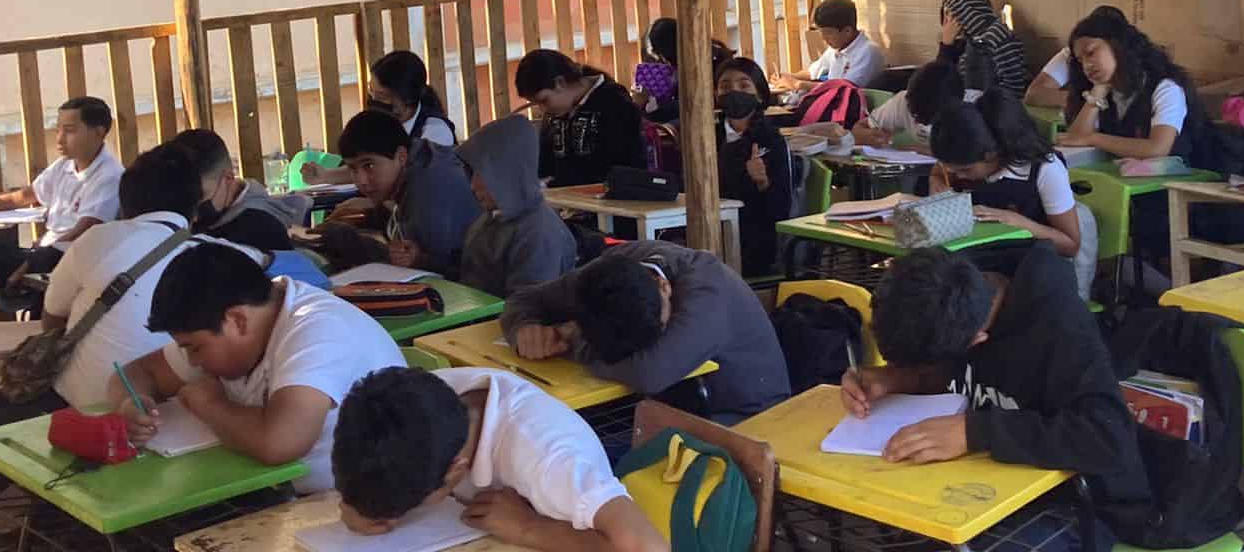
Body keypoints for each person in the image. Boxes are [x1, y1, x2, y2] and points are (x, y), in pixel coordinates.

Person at [0, 143, 208, 552]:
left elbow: (52, 320)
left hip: (70, 412)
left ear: (125, 206)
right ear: (196, 209)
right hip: (170, 428)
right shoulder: (215, 258)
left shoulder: (100, 239)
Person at [841, 246, 1149, 538]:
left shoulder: (1059, 327)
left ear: (977, 340)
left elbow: (1110, 438)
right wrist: (895, 380)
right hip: (977, 490)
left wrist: (974, 431)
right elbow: (949, 374)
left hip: (1074, 506)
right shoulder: (944, 291)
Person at [113, 242, 402, 493]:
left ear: (237, 320)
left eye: (196, 348)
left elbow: (277, 443)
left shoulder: (319, 329)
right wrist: (132, 403)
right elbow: (134, 373)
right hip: (274, 492)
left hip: (352, 506)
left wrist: (210, 405)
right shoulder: (232, 320)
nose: (192, 362)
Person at [331, 366, 666, 551]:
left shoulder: (547, 458)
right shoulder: (412, 403)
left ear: (455, 472)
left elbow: (649, 548)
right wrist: (360, 505)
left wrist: (530, 528)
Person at [501, 241, 789, 424]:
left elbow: (648, 372)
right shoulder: (602, 277)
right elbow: (524, 300)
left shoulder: (706, 298)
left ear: (665, 288)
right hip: (676, 404)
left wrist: (571, 340)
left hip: (745, 416)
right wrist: (524, 329)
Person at [0, 96, 123, 293]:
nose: (60, 139)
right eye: (58, 130)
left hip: (63, 261)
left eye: (69, 131)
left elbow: (83, 231)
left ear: (99, 132)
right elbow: (18, 198)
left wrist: (36, 259)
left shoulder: (109, 176)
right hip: (40, 253)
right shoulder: (64, 165)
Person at [316, 109, 480, 276]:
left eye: (369, 166)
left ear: (401, 156)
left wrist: (350, 240)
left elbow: (444, 273)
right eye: (352, 168)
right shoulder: (420, 154)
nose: (361, 181)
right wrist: (372, 213)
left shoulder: (427, 192)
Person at [928, 92, 1081, 261]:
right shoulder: (964, 156)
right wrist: (937, 180)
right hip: (978, 255)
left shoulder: (1046, 170)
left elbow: (1071, 245)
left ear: (991, 155)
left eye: (964, 170)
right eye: (949, 168)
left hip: (1029, 263)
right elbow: (939, 170)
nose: (955, 175)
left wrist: (1020, 223)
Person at [458, 114, 577, 296]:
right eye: (472, 173)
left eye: (482, 173)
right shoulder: (490, 218)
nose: (473, 185)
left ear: (508, 173)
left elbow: (527, 309)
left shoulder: (538, 234)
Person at [305, 51, 456, 187]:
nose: (374, 100)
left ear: (406, 98)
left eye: (382, 97)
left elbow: (417, 183)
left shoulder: (435, 132)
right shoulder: (381, 125)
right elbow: (364, 164)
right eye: (372, 92)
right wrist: (324, 175)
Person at [1062, 12, 1199, 162]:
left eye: (1091, 53)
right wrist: (1097, 92)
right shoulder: (1105, 90)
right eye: (1080, 60)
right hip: (1123, 179)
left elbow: (1157, 148)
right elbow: (1076, 139)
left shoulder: (1165, 88)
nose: (1086, 65)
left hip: (1174, 181)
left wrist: (1093, 139)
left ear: (1117, 45)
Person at [515, 51, 644, 187]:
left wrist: (554, 184)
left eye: (544, 100)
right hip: (567, 198)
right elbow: (545, 164)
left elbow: (618, 166)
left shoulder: (615, 103)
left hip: (611, 198)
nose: (542, 109)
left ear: (560, 83)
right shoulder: (556, 113)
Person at [714, 57, 793, 274]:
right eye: (725, 86)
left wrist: (762, 182)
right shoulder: (706, 135)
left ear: (759, 95)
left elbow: (780, 209)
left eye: (744, 85)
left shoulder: (771, 140)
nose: (734, 91)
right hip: (710, 231)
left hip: (753, 243)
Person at [172, 128, 305, 252]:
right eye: (185, 196)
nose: (194, 216)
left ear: (228, 178)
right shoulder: (206, 217)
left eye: (201, 195)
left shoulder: (260, 228)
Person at [1025, 6, 1129, 111]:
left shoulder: (1138, 62)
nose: (1087, 65)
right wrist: (1088, 99)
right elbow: (1034, 94)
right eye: (1081, 59)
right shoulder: (1075, 52)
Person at [630, 17, 732, 123]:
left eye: (663, 56)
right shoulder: (673, 71)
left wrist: (647, 108)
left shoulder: (710, 64)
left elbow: (691, 106)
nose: (663, 62)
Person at [854, 58, 974, 147]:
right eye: (913, 114)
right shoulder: (904, 101)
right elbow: (859, 128)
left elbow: (984, 161)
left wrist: (929, 152)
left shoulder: (977, 111)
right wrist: (868, 137)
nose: (916, 122)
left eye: (925, 118)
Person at [777, 0, 886, 89]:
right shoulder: (836, 49)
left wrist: (798, 84)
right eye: (821, 32)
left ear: (847, 31)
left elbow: (844, 89)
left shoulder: (868, 52)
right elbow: (812, 73)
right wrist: (788, 77)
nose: (823, 38)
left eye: (828, 33)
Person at [936, 0, 1029, 97]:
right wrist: (947, 46)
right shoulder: (968, 41)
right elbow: (939, 81)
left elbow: (1014, 88)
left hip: (992, 107)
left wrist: (946, 46)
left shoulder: (998, 36)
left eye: (949, 16)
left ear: (967, 14)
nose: (945, 24)